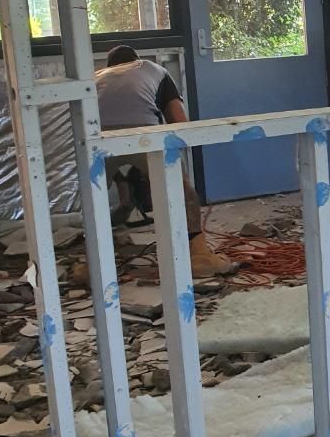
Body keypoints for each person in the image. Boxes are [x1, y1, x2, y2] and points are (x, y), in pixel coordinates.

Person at [91, 46, 236, 278]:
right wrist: (173, 172)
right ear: (136, 60)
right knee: (183, 192)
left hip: (97, 141)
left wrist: (124, 181)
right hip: (146, 135)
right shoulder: (153, 69)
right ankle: (198, 256)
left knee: (92, 198)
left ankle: (92, 266)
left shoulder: (96, 78)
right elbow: (179, 122)